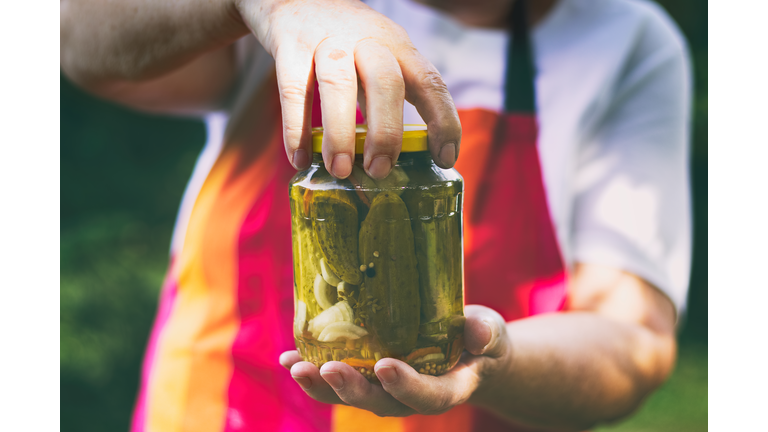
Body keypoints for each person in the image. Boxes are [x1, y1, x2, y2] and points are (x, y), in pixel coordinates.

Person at [60, 0, 692, 430]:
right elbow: (71, 36)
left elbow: (632, 336)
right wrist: (270, 5)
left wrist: (494, 359)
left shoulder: (627, 39)